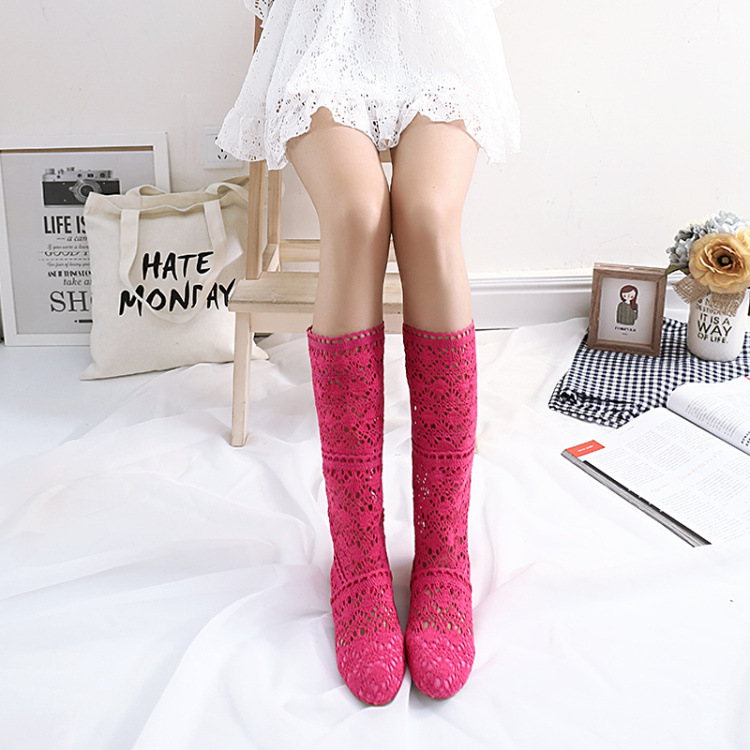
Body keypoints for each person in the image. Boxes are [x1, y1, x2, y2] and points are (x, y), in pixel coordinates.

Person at [217, 0, 521, 705]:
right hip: (322, 29)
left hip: (436, 27)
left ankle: (443, 552)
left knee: (429, 214)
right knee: (357, 216)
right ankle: (357, 557)